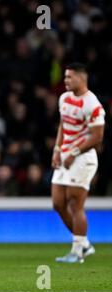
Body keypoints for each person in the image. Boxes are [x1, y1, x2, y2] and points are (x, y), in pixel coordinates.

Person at [51, 63, 105, 263]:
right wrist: (57, 150)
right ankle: (84, 244)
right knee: (57, 203)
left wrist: (74, 151)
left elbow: (97, 136)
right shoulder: (64, 98)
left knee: (75, 204)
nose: (65, 81)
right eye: (65, 77)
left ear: (82, 79)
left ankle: (77, 250)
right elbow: (63, 125)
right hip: (65, 155)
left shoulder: (93, 104)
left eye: (69, 77)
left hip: (83, 158)